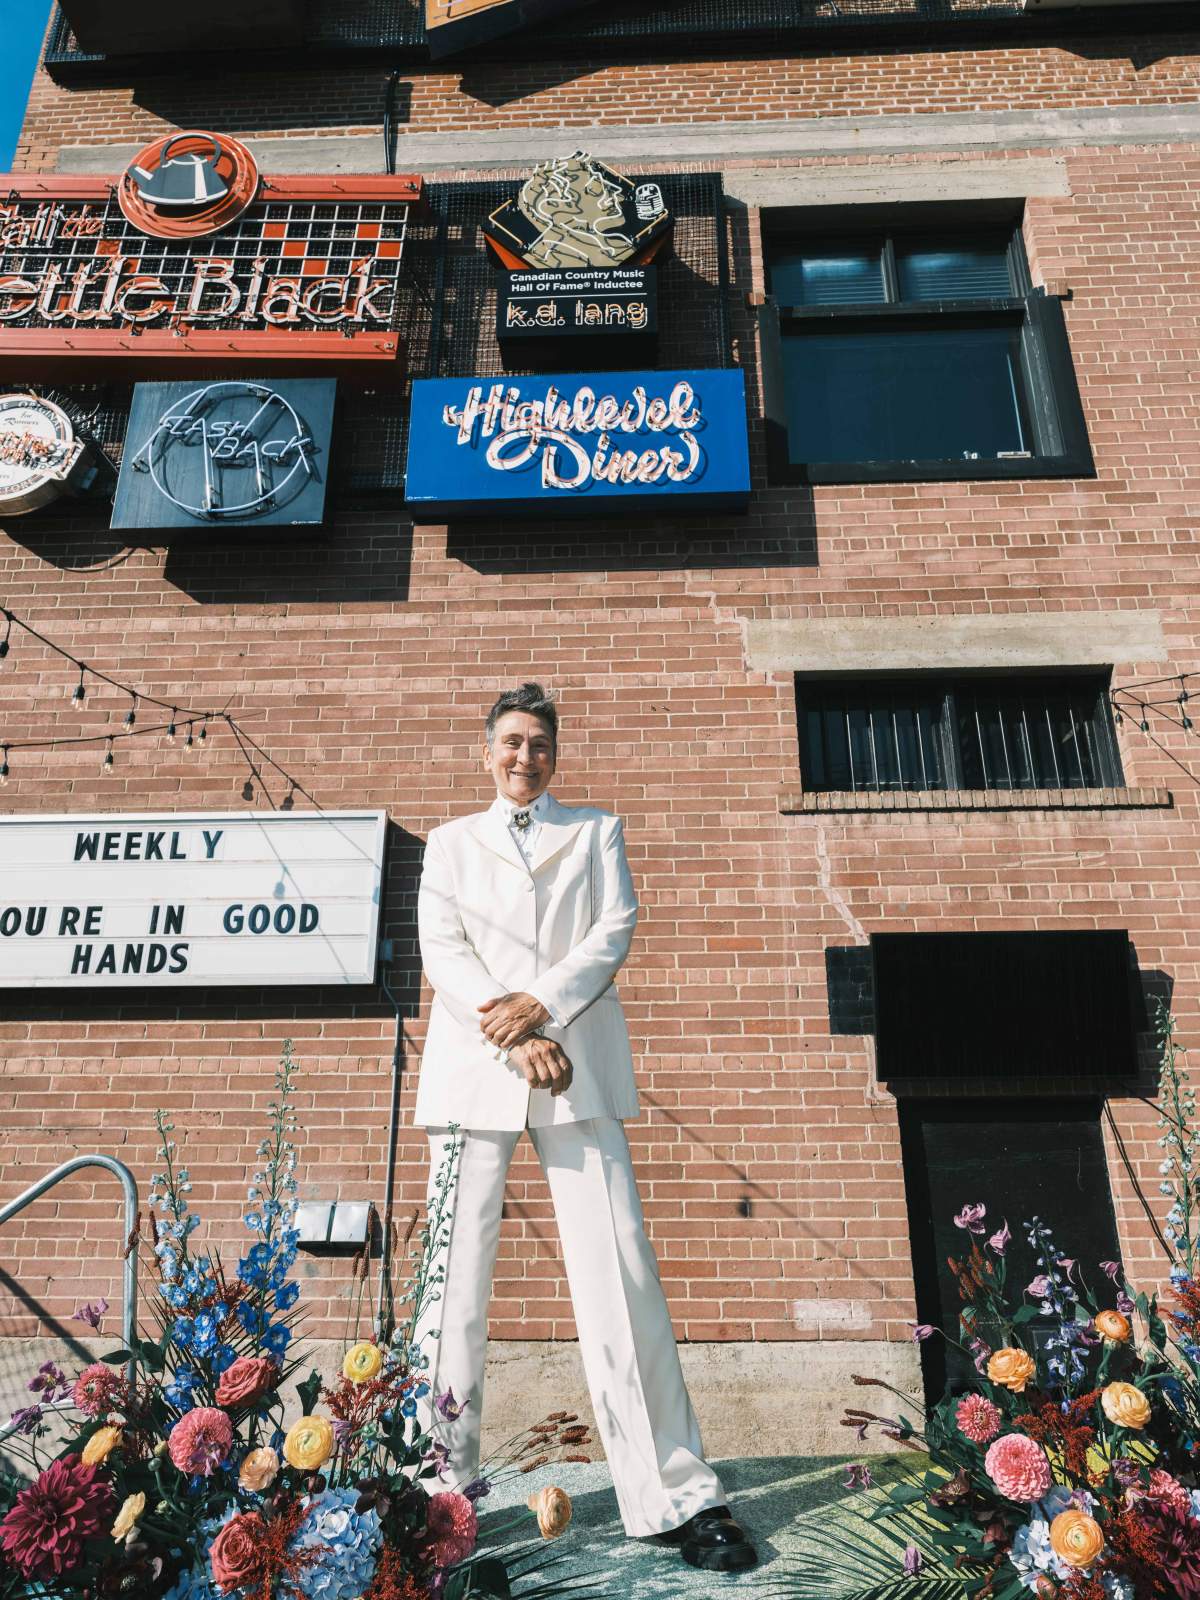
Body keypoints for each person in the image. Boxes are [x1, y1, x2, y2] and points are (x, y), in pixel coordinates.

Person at [413, 682, 756, 1572]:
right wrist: (514, 1030)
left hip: (578, 1061)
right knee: (451, 1287)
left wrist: (544, 1008)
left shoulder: (597, 831)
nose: (524, 757)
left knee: (622, 1272)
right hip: (478, 1065)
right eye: (510, 742)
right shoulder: (448, 845)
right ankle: (430, 1499)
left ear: (554, 755)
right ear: (486, 750)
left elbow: (614, 930)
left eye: (539, 744)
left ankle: (675, 1494)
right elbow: (444, 949)